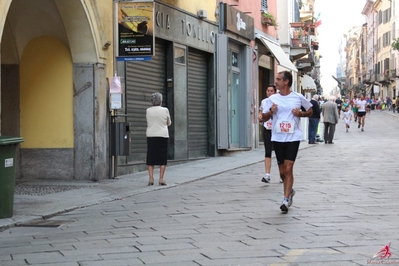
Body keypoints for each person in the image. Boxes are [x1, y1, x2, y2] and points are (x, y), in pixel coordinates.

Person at [262, 71, 313, 212]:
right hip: (277, 138)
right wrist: (270, 112)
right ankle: (289, 190)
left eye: (278, 79)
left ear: (286, 82)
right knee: (282, 172)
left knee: (289, 168)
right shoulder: (272, 99)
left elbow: (311, 110)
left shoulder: (298, 97)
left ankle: (285, 200)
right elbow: (263, 118)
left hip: (293, 137)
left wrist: (301, 114)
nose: (276, 81)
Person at [146, 92, 172, 186]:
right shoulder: (165, 110)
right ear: (161, 101)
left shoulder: (148, 110)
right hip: (162, 135)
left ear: (151, 101)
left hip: (151, 135)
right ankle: (161, 179)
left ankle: (151, 178)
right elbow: (169, 122)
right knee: (162, 157)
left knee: (151, 157)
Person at [258, 85, 278, 183]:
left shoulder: (278, 101)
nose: (270, 92)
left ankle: (282, 175)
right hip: (267, 128)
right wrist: (260, 117)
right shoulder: (264, 102)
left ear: (275, 92)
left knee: (279, 153)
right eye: (268, 90)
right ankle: (267, 174)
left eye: (272, 91)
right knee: (267, 151)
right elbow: (261, 112)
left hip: (277, 130)